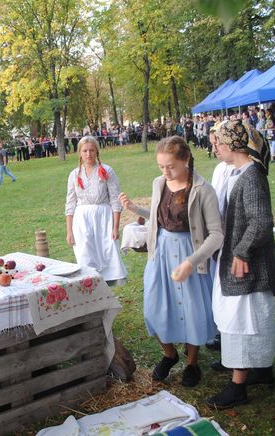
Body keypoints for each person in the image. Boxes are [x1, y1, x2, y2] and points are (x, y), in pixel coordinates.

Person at [119, 136, 223, 387]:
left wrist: (191, 261)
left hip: (190, 253)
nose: (165, 172)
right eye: (161, 166)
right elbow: (158, 217)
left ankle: (192, 363)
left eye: (170, 166)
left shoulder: (202, 190)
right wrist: (136, 209)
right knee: (154, 307)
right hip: (161, 252)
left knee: (191, 309)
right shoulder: (159, 184)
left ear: (185, 160)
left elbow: (217, 235)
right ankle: (170, 354)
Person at [206, 120, 275, 409]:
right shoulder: (242, 172)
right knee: (255, 319)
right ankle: (262, 370)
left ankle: (237, 387)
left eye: (218, 144)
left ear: (229, 146)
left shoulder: (251, 177)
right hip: (244, 261)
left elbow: (261, 220)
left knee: (242, 320)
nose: (215, 148)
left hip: (250, 266)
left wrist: (241, 253)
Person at [65, 136, 127, 285]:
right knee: (85, 254)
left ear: (97, 151)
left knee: (106, 253)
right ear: (80, 153)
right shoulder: (74, 174)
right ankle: (90, 287)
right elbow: (70, 203)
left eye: (91, 150)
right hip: (82, 220)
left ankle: (107, 288)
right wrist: (69, 231)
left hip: (103, 218)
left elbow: (114, 199)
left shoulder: (106, 171)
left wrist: (115, 226)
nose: (88, 154)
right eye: (85, 151)